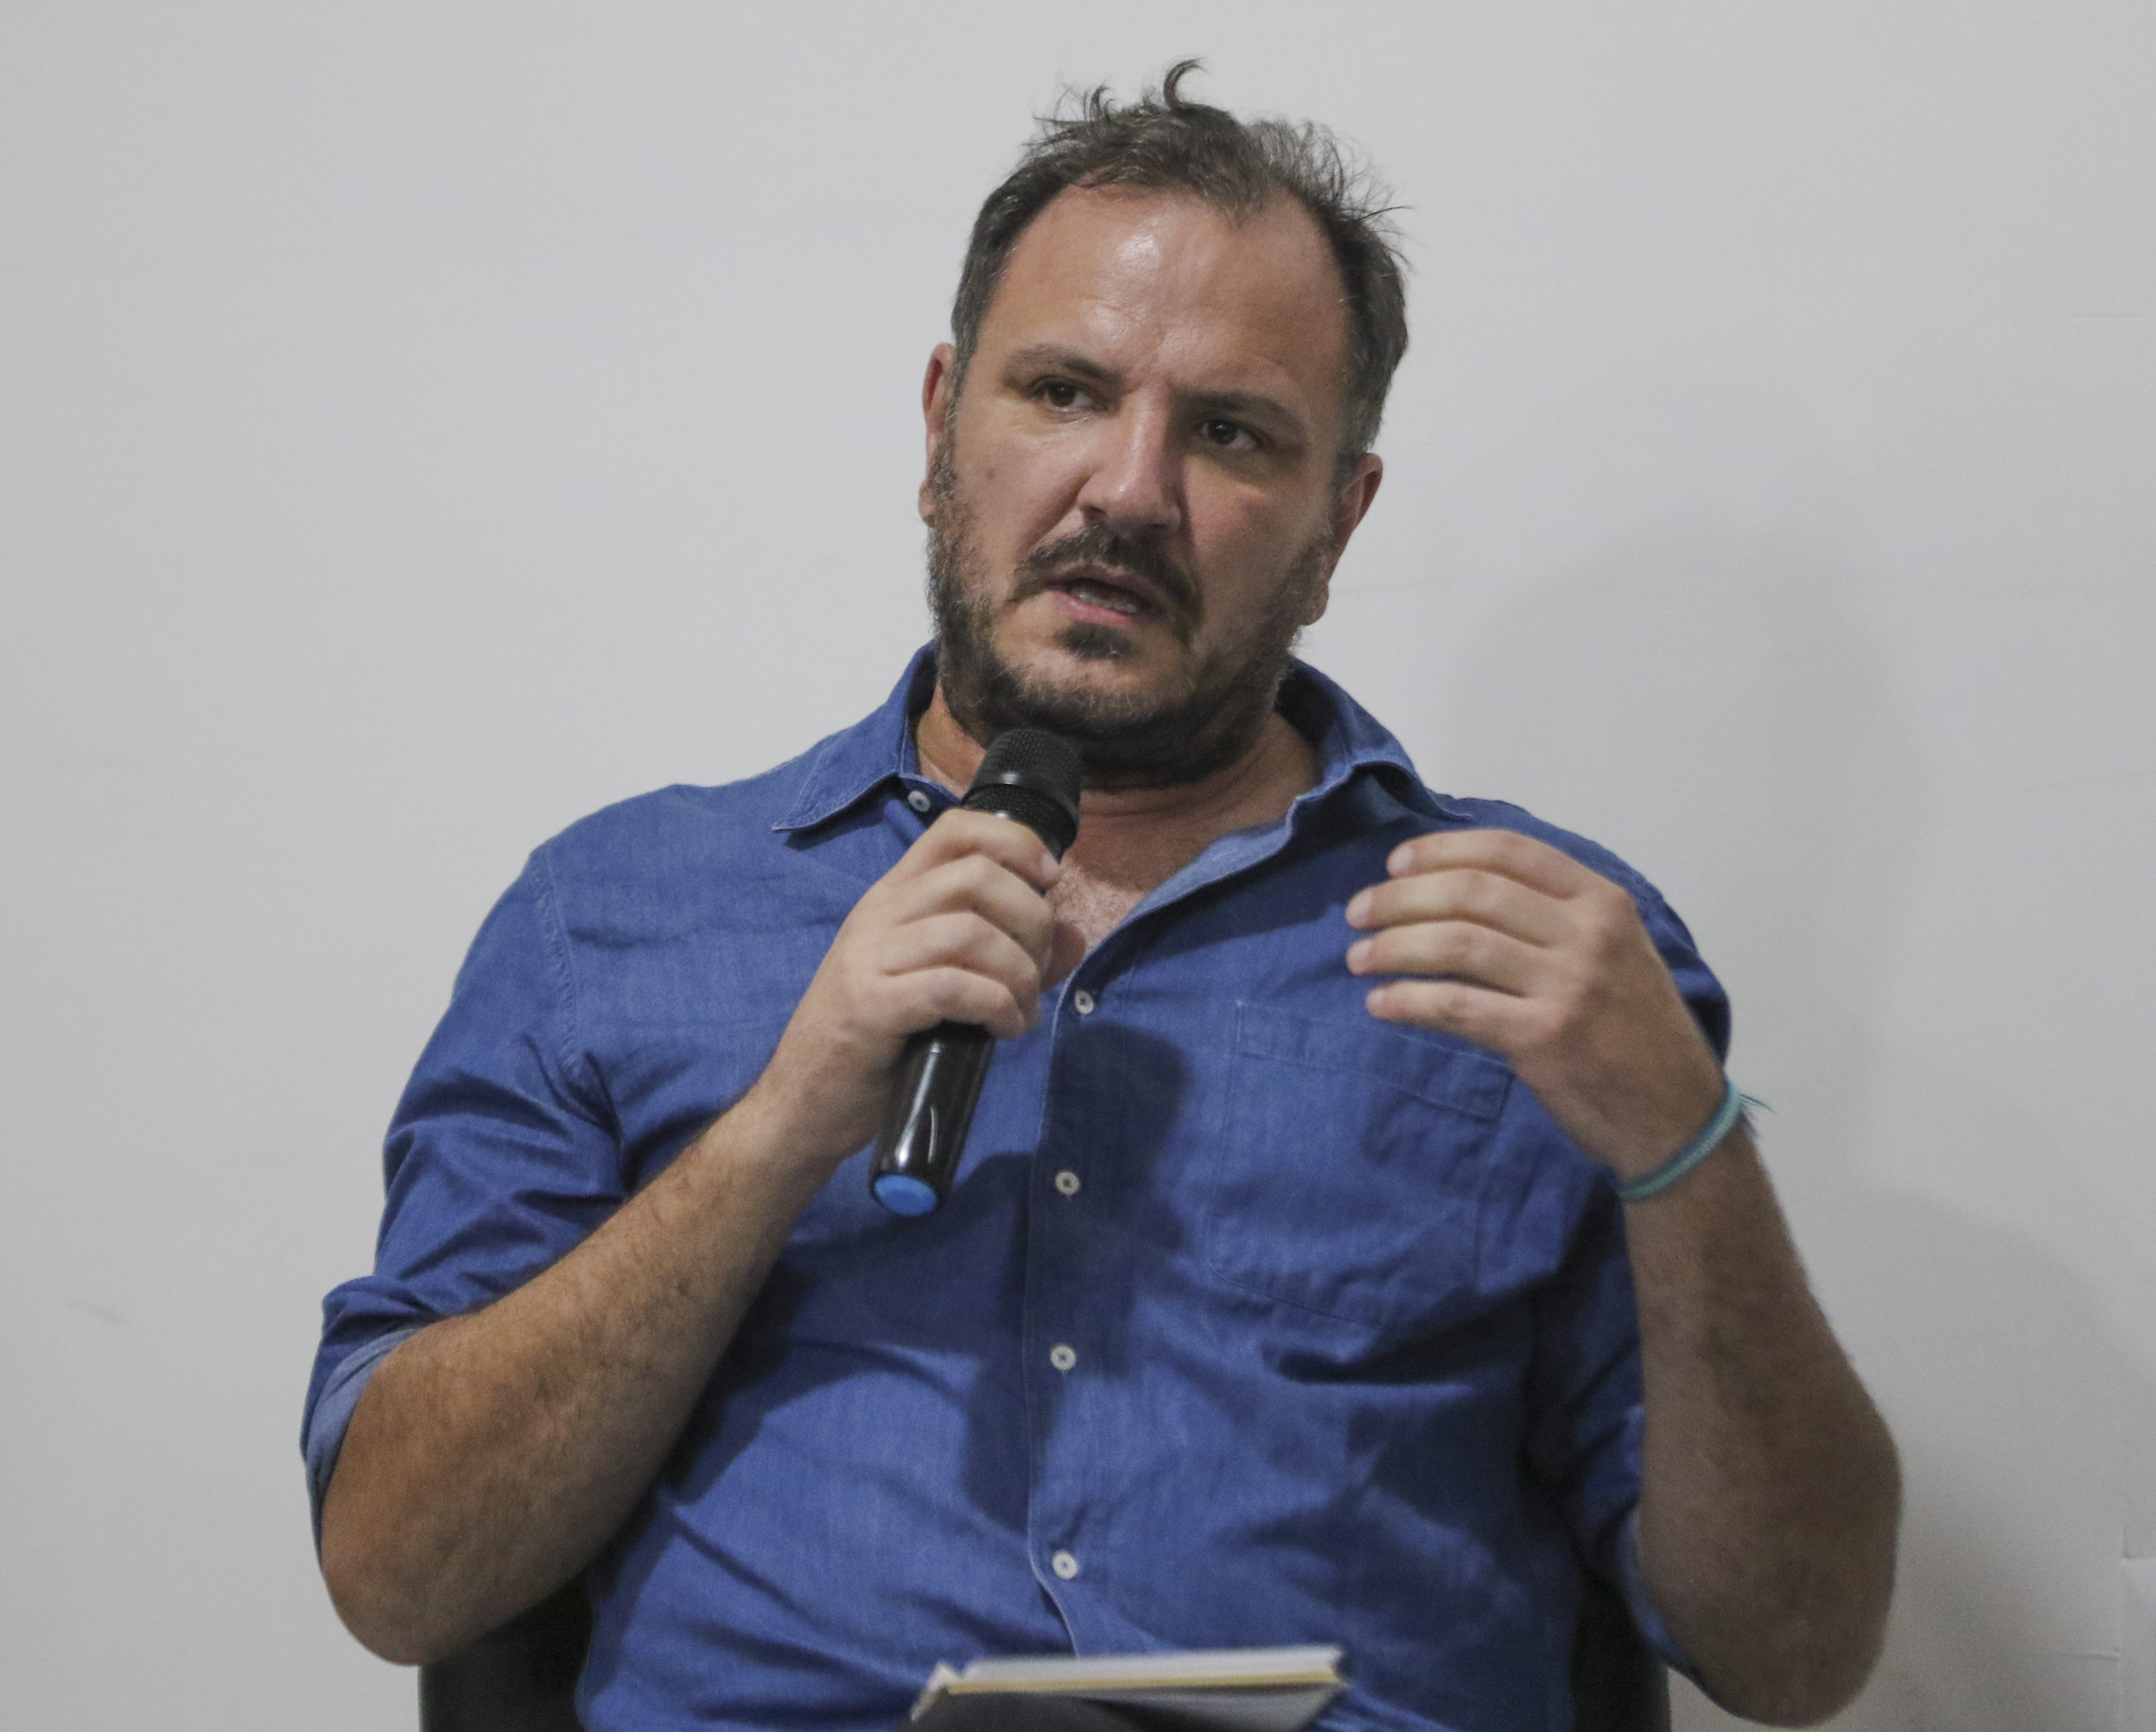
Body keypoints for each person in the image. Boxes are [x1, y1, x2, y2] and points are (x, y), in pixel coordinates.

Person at [305, 64, 1901, 1732]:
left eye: (1230, 432)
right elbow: (402, 1577)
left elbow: (1794, 1658)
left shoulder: (1545, 956)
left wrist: (1687, 1147)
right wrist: (779, 1127)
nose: (1130, 491)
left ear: (1340, 519)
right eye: (1065, 392)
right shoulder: (615, 915)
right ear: (942, 429)